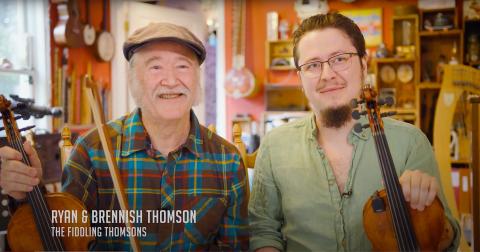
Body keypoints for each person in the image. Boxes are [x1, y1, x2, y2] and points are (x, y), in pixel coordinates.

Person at [0, 22, 249, 251]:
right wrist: (27, 193)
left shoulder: (227, 160)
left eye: (183, 66)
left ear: (197, 79)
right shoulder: (91, 151)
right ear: (133, 80)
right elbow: (62, 240)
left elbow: (234, 247)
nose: (171, 80)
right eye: (155, 67)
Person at [249, 13, 460, 251]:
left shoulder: (411, 142)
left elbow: (447, 240)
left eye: (339, 59)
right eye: (313, 65)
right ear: (300, 77)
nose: (327, 74)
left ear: (363, 63)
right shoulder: (274, 145)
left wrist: (428, 209)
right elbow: (263, 231)